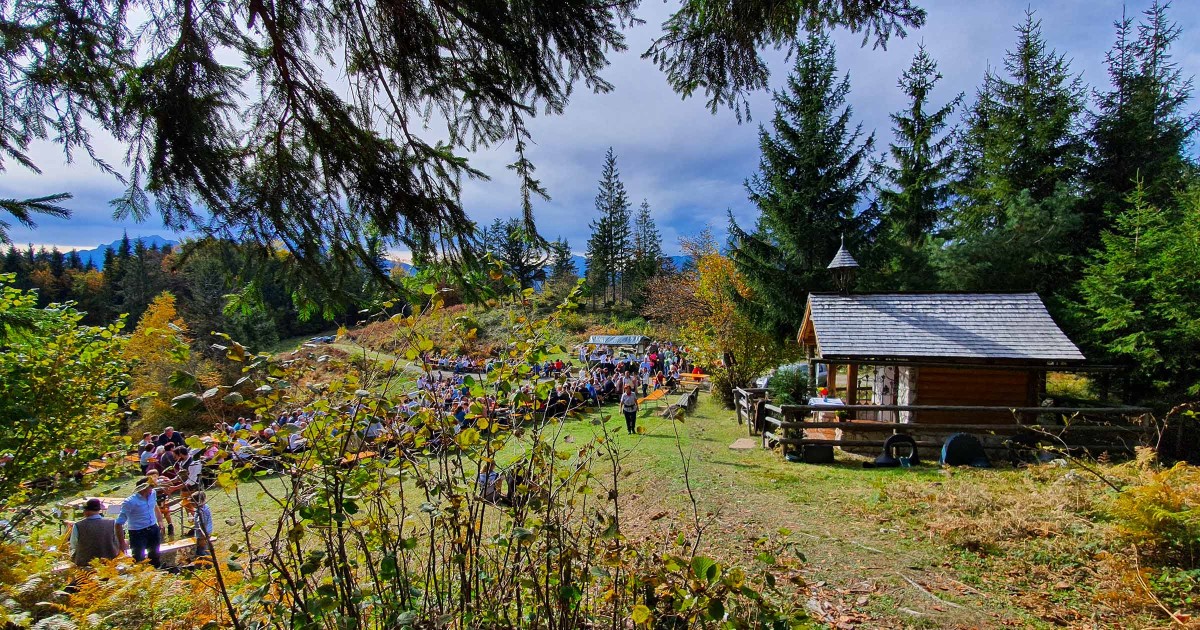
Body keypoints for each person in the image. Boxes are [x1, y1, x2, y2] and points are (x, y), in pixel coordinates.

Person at [116, 478, 167, 567]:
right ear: (142, 488)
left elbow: (154, 505)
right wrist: (122, 543)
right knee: (139, 559)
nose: (151, 491)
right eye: (149, 489)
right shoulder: (130, 502)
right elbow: (119, 523)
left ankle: (156, 574)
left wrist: (160, 521)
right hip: (138, 533)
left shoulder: (153, 493)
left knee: (155, 556)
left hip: (153, 529)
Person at [70, 498, 125, 567]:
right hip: (109, 562)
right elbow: (118, 541)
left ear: (86, 511)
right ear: (99, 510)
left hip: (85, 563)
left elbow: (73, 544)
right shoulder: (112, 522)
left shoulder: (78, 525)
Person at [192, 491, 213, 557]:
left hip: (202, 533)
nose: (192, 504)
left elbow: (202, 524)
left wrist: (204, 534)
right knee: (204, 545)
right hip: (207, 530)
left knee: (202, 547)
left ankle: (204, 557)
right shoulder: (206, 506)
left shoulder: (200, 511)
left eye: (193, 502)